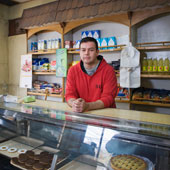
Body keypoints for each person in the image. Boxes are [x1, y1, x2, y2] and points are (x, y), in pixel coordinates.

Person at [65, 37, 117, 112]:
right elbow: (69, 94)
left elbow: (108, 98)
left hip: (105, 115)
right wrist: (75, 104)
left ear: (97, 52)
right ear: (79, 52)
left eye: (91, 50)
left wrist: (87, 106)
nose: (86, 53)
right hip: (82, 115)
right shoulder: (72, 71)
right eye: (83, 50)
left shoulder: (108, 70)